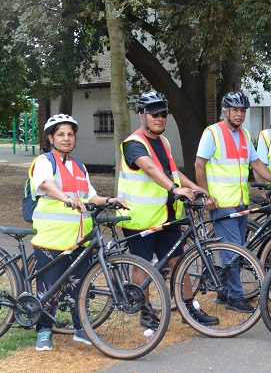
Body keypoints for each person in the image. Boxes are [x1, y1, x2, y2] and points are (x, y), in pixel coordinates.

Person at [118, 91, 219, 328]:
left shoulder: (163, 142)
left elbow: (173, 171)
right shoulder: (133, 144)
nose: (160, 118)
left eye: (163, 113)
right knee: (143, 266)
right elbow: (152, 169)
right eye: (154, 114)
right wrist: (175, 189)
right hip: (140, 219)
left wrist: (195, 187)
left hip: (167, 216)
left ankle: (188, 308)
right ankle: (145, 312)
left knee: (179, 262)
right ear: (142, 116)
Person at [31, 114, 128, 351]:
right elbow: (45, 184)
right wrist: (66, 197)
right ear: (51, 137)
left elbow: (89, 195)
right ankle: (44, 330)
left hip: (79, 240)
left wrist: (109, 199)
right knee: (49, 289)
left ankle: (81, 328)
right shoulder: (45, 161)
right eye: (61, 134)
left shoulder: (79, 166)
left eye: (70, 134)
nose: (66, 139)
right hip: (52, 238)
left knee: (80, 286)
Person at [195, 91, 271, 312]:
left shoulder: (245, 134)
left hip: (241, 202)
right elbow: (199, 165)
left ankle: (225, 292)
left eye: (242, 111)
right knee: (234, 250)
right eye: (235, 110)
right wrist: (206, 194)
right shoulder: (213, 133)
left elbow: (256, 163)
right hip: (222, 203)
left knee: (238, 248)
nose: (239, 114)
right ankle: (235, 297)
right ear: (225, 111)